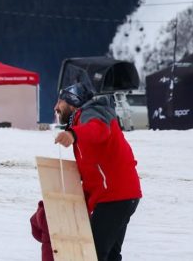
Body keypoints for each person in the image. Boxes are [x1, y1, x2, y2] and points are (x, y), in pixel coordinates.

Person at [54, 83, 141, 261]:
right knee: (109, 255)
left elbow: (99, 130)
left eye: (60, 101)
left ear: (72, 102)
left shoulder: (91, 113)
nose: (56, 107)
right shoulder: (81, 120)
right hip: (120, 196)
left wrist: (73, 134)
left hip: (115, 197)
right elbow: (92, 173)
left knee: (93, 254)